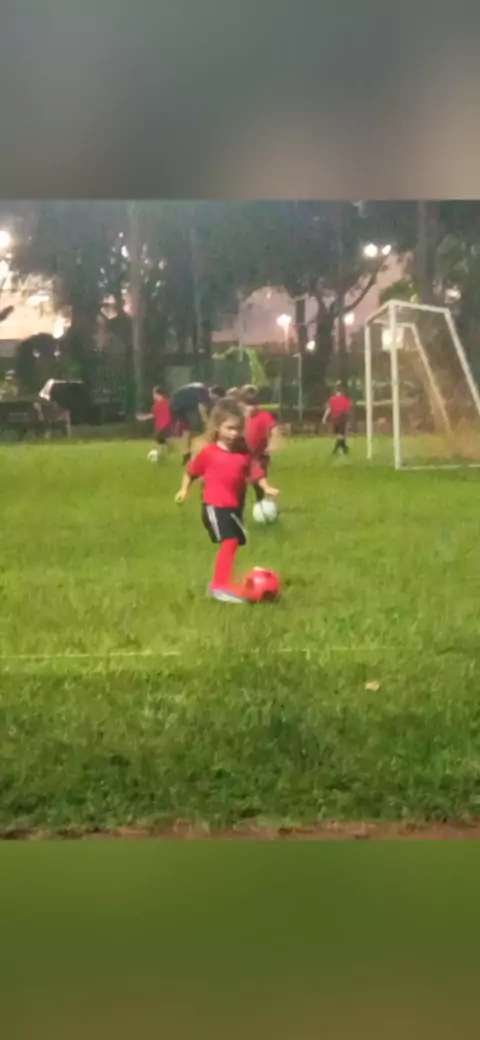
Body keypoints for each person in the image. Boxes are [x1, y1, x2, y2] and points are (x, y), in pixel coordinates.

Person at [175, 398, 279, 604]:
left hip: (234, 507)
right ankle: (219, 586)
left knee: (236, 541)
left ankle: (222, 583)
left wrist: (266, 487)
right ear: (217, 427)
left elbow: (255, 472)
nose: (234, 433)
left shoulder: (243, 453)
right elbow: (191, 472)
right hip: (214, 505)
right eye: (229, 428)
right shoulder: (209, 453)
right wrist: (183, 490)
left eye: (238, 429)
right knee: (229, 541)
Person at [170, 382, 224, 465]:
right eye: (216, 398)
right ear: (215, 393)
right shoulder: (204, 393)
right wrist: (207, 422)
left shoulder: (202, 389)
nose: (215, 400)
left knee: (187, 430)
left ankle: (187, 453)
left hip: (178, 405)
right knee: (194, 430)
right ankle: (193, 452)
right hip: (181, 406)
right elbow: (202, 408)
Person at [240, 385, 277, 502]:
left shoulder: (264, 416)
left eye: (253, 405)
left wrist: (271, 445)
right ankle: (237, 504)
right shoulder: (240, 418)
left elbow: (274, 429)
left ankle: (261, 502)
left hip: (259, 455)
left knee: (259, 481)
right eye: (247, 405)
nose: (251, 408)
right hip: (242, 455)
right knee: (239, 482)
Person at [137, 386, 172, 458]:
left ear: (160, 394)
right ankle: (162, 454)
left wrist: (143, 417)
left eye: (154, 394)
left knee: (162, 440)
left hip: (166, 426)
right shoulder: (156, 405)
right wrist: (144, 417)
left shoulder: (167, 403)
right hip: (160, 426)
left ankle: (163, 453)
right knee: (161, 440)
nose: (153, 396)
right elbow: (153, 415)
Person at [322, 383, 352, 456]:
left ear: (335, 391)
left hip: (334, 419)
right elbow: (347, 411)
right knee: (341, 436)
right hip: (342, 418)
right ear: (343, 392)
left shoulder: (332, 399)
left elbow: (329, 409)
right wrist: (348, 420)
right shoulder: (346, 400)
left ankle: (339, 450)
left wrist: (324, 418)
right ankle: (342, 449)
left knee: (339, 435)